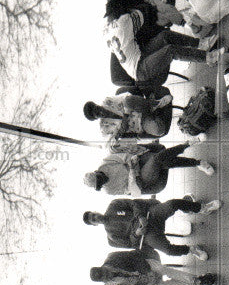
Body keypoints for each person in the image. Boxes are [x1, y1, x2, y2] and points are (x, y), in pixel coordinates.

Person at [103, 0, 227, 86]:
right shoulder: (125, 21)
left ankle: (202, 45)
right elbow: (144, 13)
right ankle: (209, 58)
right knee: (170, 50)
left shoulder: (106, 30)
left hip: (140, 55)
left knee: (165, 35)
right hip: (140, 69)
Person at [83, 196, 220, 257]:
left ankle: (203, 208)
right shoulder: (111, 236)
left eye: (93, 215)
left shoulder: (113, 205)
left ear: (95, 211)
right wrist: (137, 233)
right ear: (95, 225)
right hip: (147, 235)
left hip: (149, 216)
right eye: (93, 220)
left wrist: (140, 217)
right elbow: (132, 244)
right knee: (168, 250)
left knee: (172, 204)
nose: (96, 217)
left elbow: (133, 203)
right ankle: (191, 250)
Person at [84, 142, 215, 196]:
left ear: (97, 172)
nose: (103, 180)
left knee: (162, 161)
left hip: (137, 163)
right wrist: (132, 172)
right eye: (99, 183)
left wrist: (131, 164)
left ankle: (198, 162)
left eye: (99, 178)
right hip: (141, 180)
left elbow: (125, 157)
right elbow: (131, 189)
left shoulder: (104, 164)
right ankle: (187, 145)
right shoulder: (109, 190)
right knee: (157, 160)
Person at [89, 249, 215, 285]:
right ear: (103, 281)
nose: (109, 274)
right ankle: (196, 281)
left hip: (146, 265)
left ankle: (197, 282)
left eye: (106, 271)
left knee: (161, 269)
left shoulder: (112, 257)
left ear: (103, 266)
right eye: (106, 277)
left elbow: (135, 254)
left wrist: (146, 271)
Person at [83, 91, 173, 140]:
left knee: (128, 101)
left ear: (97, 105)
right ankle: (153, 112)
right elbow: (118, 137)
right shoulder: (104, 129)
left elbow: (126, 97)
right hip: (141, 124)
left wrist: (125, 118)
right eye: (98, 114)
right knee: (159, 130)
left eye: (98, 108)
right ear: (97, 119)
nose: (101, 112)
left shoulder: (108, 101)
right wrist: (122, 127)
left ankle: (155, 104)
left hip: (140, 108)